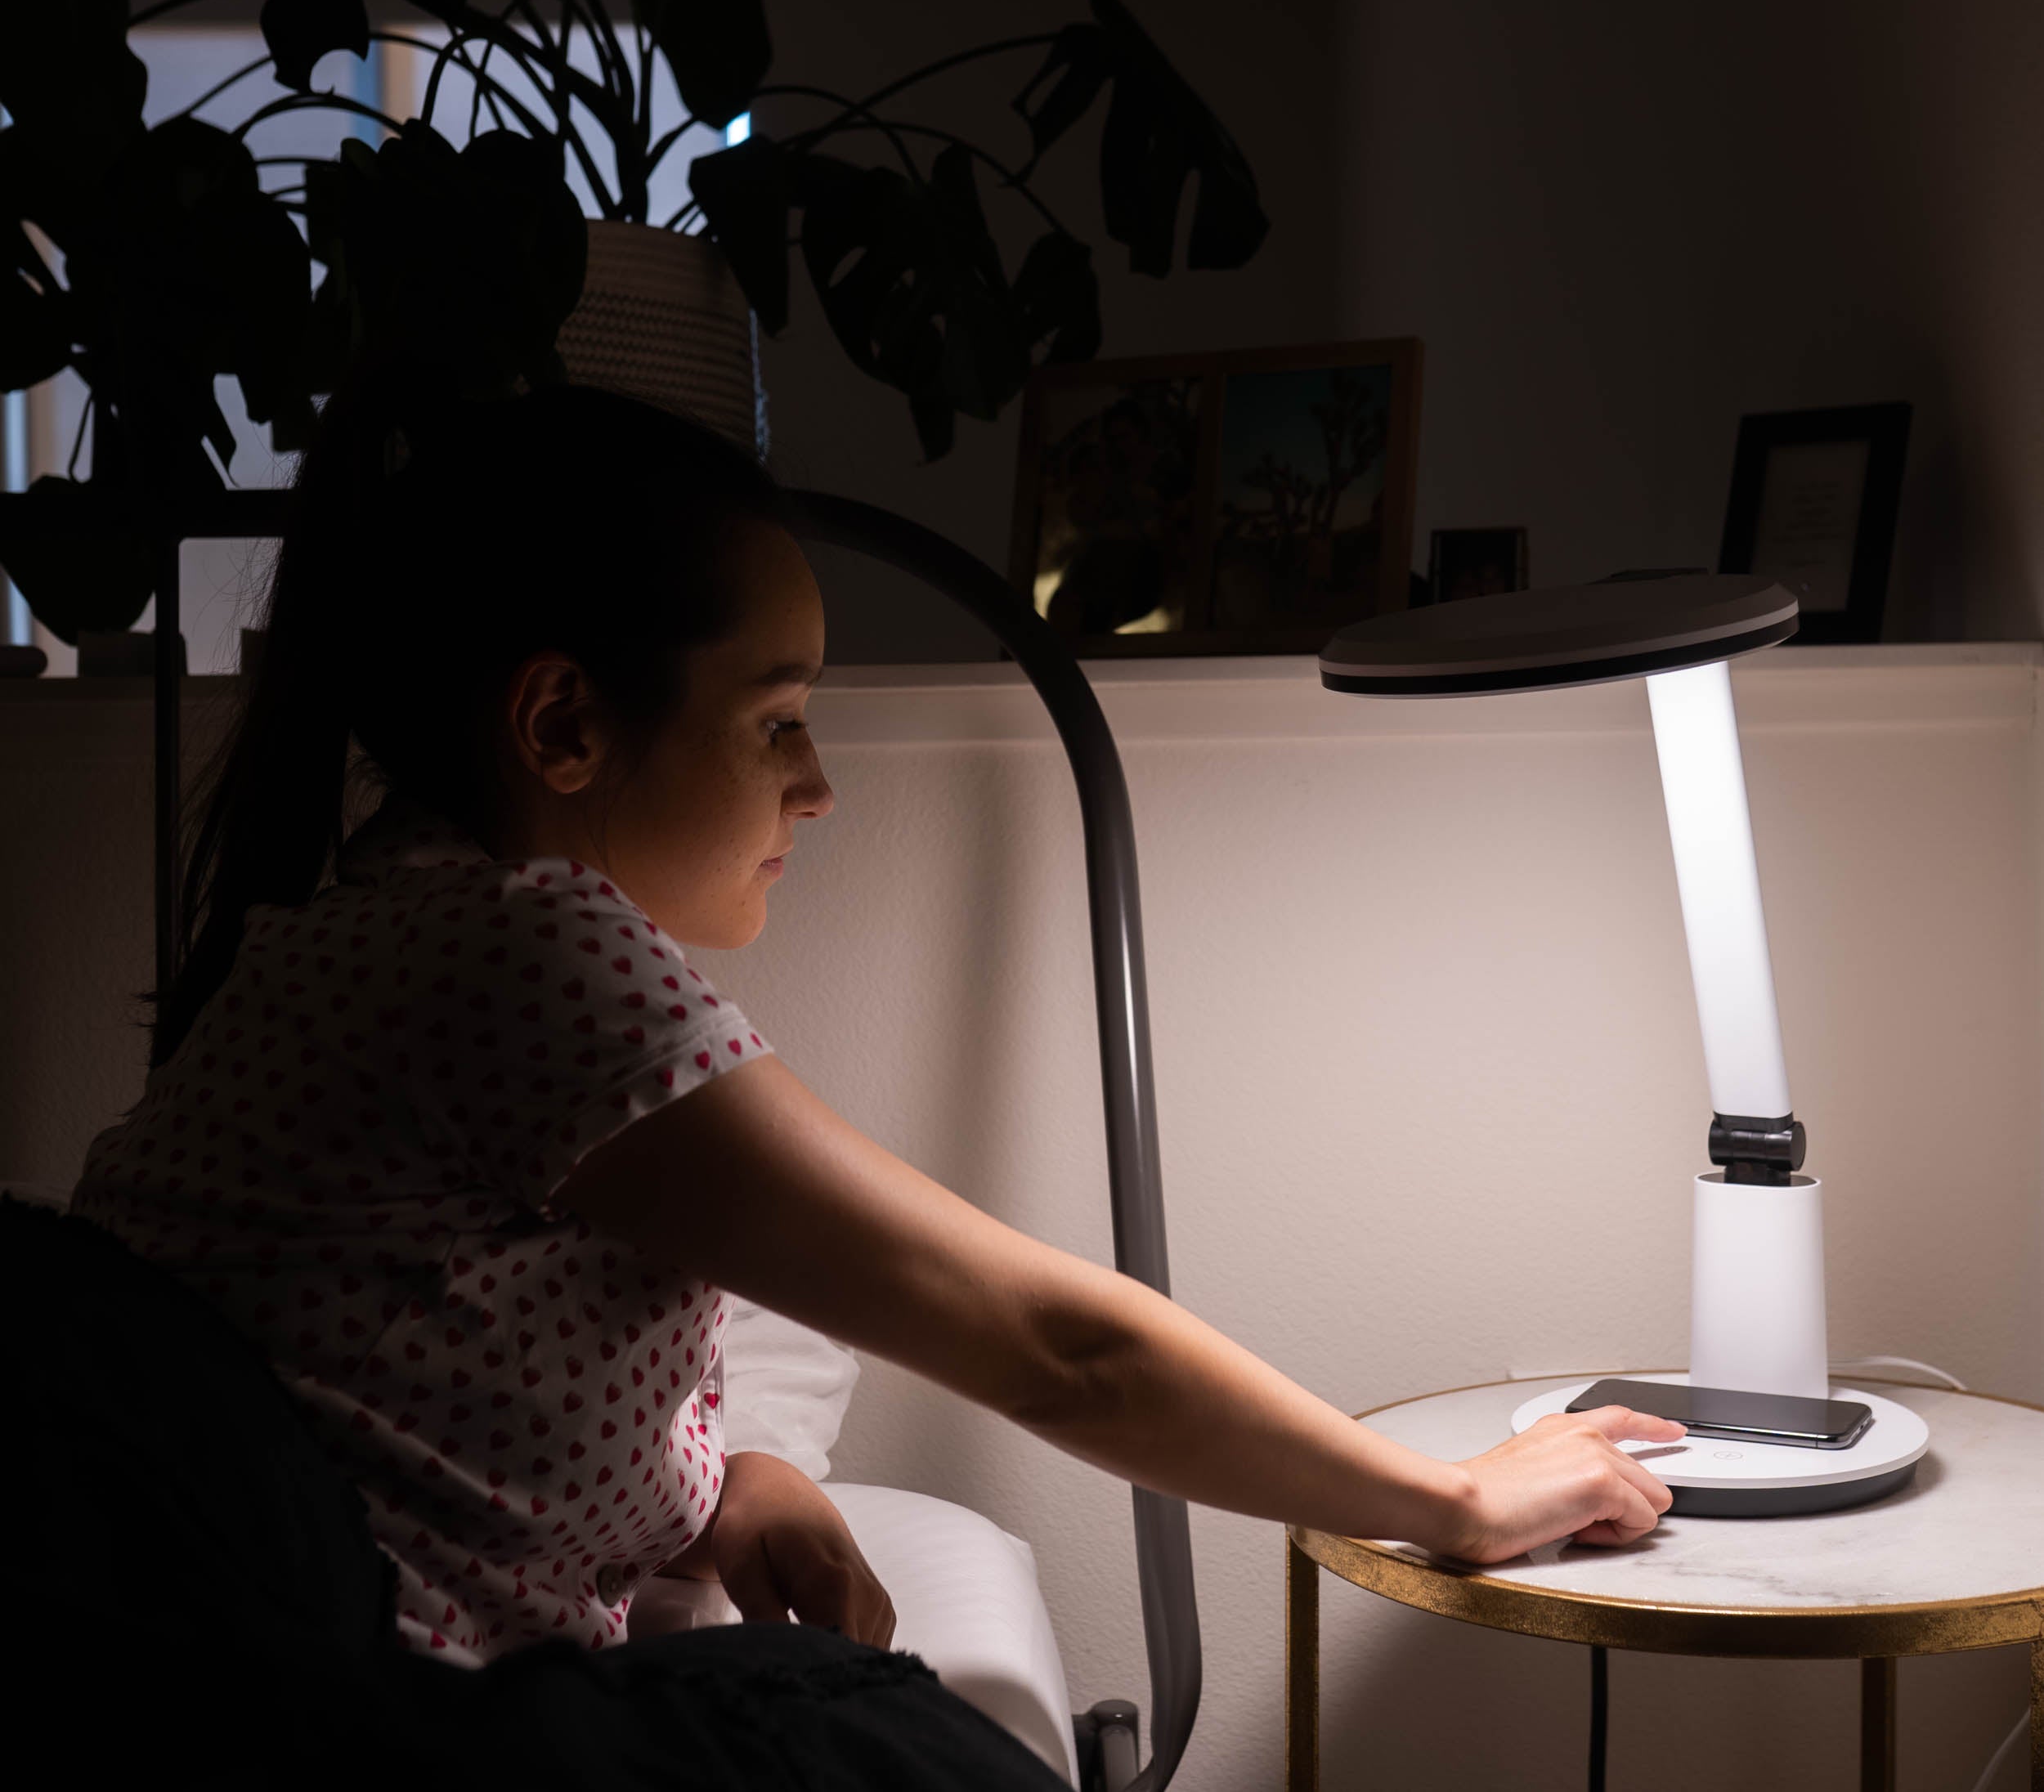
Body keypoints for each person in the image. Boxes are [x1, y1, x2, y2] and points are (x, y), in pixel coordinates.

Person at [72, 375, 1679, 1698]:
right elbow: (1060, 1349)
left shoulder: (383, 922)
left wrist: (734, 1484)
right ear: (562, 724)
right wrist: (1455, 1499)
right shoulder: (518, 949)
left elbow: (424, 1404)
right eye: (774, 717)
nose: (818, 782)